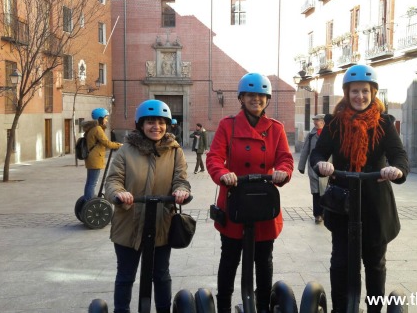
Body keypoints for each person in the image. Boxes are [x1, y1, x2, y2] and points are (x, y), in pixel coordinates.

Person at [310, 64, 409, 313]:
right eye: (355, 91)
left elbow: (400, 157)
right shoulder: (334, 124)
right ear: (347, 93)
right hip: (343, 203)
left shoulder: (384, 124)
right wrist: (321, 163)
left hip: (375, 206)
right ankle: (341, 309)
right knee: (341, 262)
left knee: (375, 263)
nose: (360, 96)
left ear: (373, 92)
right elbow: (319, 152)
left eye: (365, 91)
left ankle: (374, 309)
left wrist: (395, 170)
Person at [206, 72, 294, 313]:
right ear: (241, 98)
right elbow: (214, 157)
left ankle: (263, 305)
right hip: (235, 201)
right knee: (230, 259)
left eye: (261, 96)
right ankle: (223, 304)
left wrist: (283, 172)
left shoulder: (276, 128)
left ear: (267, 99)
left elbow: (285, 158)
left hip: (264, 204)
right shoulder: (228, 125)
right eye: (250, 95)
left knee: (264, 261)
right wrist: (223, 173)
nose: (256, 99)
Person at [105, 99, 191, 313]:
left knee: (161, 275)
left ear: (168, 125)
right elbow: (113, 180)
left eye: (161, 122)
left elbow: (180, 178)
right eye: (150, 122)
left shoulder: (174, 151)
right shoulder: (126, 151)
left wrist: (181, 190)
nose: (156, 127)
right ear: (140, 125)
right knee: (125, 275)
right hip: (129, 223)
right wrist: (119, 193)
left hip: (161, 223)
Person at [82, 108, 122, 202]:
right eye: (106, 118)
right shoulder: (97, 129)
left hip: (92, 158)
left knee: (90, 182)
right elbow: (107, 143)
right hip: (95, 159)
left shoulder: (92, 128)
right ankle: (89, 202)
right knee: (92, 183)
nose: (106, 120)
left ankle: (88, 200)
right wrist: (119, 145)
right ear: (100, 118)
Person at [298, 113, 328, 224]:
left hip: (327, 169)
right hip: (313, 168)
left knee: (326, 192)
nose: (315, 123)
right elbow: (305, 150)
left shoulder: (330, 134)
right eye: (314, 121)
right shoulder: (311, 135)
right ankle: (318, 214)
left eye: (318, 121)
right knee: (316, 192)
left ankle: (325, 213)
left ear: (323, 122)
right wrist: (301, 166)